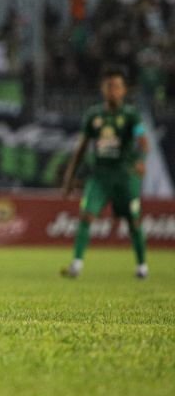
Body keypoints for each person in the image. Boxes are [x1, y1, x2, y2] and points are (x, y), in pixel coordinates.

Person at [60, 65, 149, 279]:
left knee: (133, 221)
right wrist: (69, 177)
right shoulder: (94, 115)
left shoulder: (131, 116)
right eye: (109, 86)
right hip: (99, 176)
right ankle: (76, 264)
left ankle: (142, 266)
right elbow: (81, 148)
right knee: (86, 215)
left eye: (117, 86)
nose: (113, 90)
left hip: (125, 176)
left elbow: (143, 143)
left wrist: (140, 160)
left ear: (124, 90)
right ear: (103, 89)